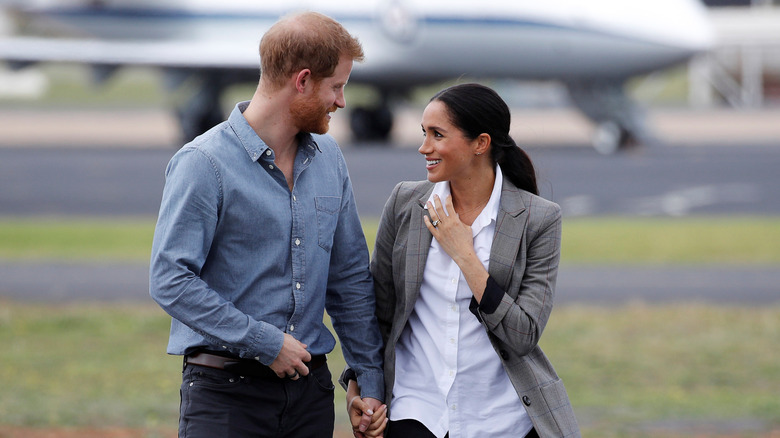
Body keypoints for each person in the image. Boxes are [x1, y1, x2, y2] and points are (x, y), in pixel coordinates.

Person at [149, 11, 385, 437]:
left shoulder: (330, 159)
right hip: (225, 396)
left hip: (311, 396)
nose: (342, 102)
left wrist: (367, 380)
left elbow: (349, 279)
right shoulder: (203, 163)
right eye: (337, 87)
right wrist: (264, 342)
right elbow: (170, 278)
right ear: (303, 80)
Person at [344, 83, 580, 437]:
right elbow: (378, 312)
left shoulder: (539, 219)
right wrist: (359, 386)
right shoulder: (405, 203)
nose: (424, 147)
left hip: (502, 422)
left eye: (438, 135)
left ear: (480, 144)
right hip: (417, 412)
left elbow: (523, 335)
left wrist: (465, 255)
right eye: (424, 133)